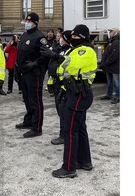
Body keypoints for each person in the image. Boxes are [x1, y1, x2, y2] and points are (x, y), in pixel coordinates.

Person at [42, 24, 97, 178]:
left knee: (70, 130)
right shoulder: (76, 50)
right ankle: (84, 161)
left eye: (75, 36)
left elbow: (71, 65)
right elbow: (62, 69)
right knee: (79, 128)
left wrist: (55, 57)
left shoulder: (85, 50)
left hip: (79, 93)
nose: (72, 38)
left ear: (82, 37)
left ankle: (69, 168)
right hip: (75, 92)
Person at [15, 12, 48, 138]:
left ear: (35, 23)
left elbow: (45, 55)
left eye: (30, 22)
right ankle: (29, 121)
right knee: (27, 99)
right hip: (24, 72)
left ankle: (37, 127)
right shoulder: (24, 35)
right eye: (26, 21)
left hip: (34, 73)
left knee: (35, 101)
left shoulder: (39, 37)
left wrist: (34, 64)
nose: (27, 23)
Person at [45, 30, 73, 145]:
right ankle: (64, 134)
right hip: (56, 84)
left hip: (64, 86)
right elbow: (53, 69)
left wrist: (55, 56)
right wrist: (50, 82)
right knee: (60, 111)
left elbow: (65, 65)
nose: (59, 39)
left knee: (64, 112)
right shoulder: (58, 49)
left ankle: (64, 135)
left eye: (61, 37)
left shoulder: (70, 51)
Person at [99, 27, 120, 104]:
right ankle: (109, 95)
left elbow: (114, 55)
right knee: (110, 82)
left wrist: (106, 63)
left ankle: (118, 96)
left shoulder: (116, 42)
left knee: (117, 82)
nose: (110, 32)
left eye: (111, 31)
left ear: (115, 32)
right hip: (109, 67)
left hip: (114, 67)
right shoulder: (111, 41)